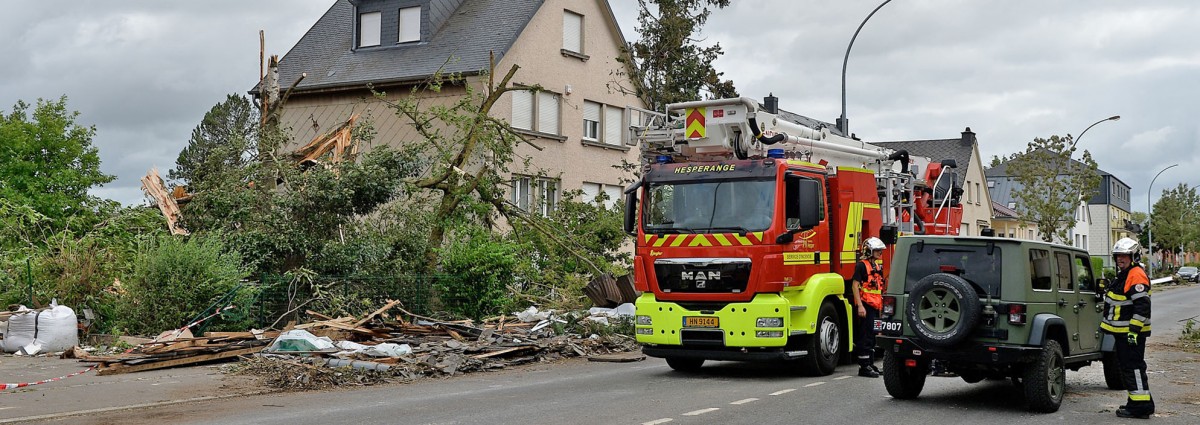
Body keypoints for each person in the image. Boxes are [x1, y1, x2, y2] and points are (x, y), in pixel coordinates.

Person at [1102, 237, 1155, 419]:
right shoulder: (1125, 274)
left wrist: (1133, 330)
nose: (1120, 259)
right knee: (1130, 368)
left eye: (1124, 256)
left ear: (1134, 256)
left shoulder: (1136, 274)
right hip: (1124, 334)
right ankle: (1140, 403)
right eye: (1117, 256)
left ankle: (1140, 407)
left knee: (1133, 368)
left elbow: (1142, 306)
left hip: (1130, 334)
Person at [852, 237, 887, 378]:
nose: (880, 253)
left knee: (873, 335)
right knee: (865, 336)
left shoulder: (877, 267)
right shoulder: (861, 266)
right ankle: (864, 367)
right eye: (877, 250)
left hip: (875, 306)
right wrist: (860, 306)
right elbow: (855, 286)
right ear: (869, 251)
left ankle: (870, 363)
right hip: (866, 306)